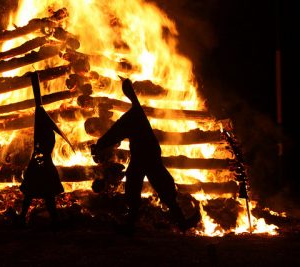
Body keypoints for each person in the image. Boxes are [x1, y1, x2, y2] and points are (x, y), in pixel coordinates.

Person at [91, 77, 200, 233]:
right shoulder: (136, 113)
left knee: (150, 187)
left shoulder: (134, 115)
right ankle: (133, 223)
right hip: (144, 154)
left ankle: (137, 224)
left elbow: (116, 132)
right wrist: (102, 143)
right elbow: (117, 131)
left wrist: (101, 144)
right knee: (141, 187)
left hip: (146, 155)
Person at [18, 71, 74, 228]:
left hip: (42, 163)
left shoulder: (46, 129)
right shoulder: (43, 125)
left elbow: (47, 144)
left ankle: (52, 220)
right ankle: (24, 218)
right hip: (40, 162)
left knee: (44, 195)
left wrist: (41, 155)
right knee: (33, 194)